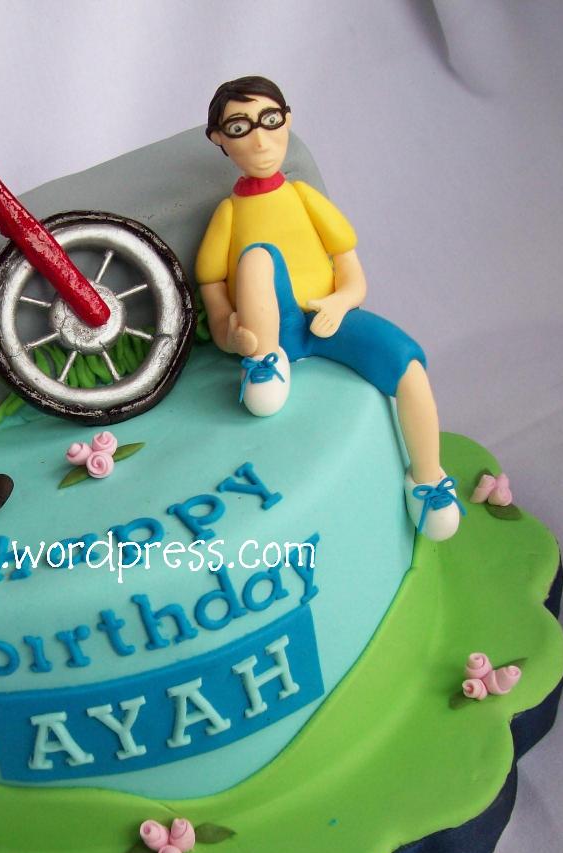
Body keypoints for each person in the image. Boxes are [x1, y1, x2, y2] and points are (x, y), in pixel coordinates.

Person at [195, 76, 462, 541]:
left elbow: (351, 271)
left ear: (288, 120)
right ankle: (265, 362)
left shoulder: (303, 197)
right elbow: (212, 285)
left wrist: (340, 302)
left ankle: (427, 479)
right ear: (219, 138)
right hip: (272, 327)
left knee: (409, 367)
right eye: (239, 128)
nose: (259, 140)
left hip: (329, 317)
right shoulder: (230, 213)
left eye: (269, 121)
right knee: (257, 257)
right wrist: (229, 334)